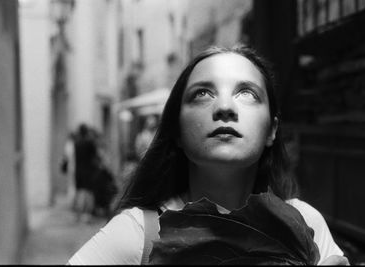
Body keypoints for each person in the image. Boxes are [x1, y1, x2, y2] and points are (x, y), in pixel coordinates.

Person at [67, 46, 348, 265]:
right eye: (202, 93)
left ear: (272, 130)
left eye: (247, 93)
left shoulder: (305, 226)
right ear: (176, 129)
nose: (225, 106)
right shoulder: (138, 235)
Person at [73, 123, 99, 223]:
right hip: (89, 171)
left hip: (78, 171)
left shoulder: (76, 143)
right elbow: (95, 156)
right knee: (89, 194)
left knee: (79, 193)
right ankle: (87, 215)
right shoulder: (90, 143)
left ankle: (78, 215)